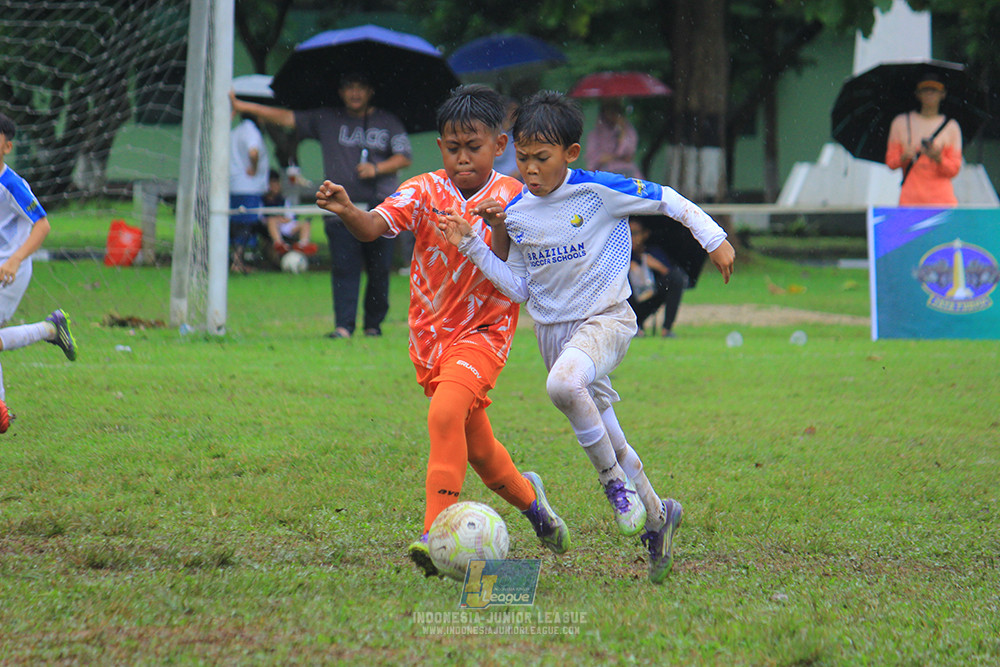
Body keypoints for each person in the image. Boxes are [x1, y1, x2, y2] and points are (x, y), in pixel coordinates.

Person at [438, 90, 735, 583]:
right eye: (523, 158)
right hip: (554, 335)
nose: (530, 169)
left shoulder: (598, 190)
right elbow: (518, 288)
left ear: (571, 153)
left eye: (542, 157)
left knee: (562, 385)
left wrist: (714, 238)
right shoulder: (516, 211)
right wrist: (472, 244)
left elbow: (666, 198)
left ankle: (613, 486)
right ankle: (659, 517)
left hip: (606, 319)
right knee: (610, 435)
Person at [315, 84, 570, 578]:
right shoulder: (423, 190)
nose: (462, 158)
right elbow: (373, 227)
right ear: (440, 147)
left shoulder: (516, 197)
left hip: (485, 333)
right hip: (431, 340)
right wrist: (347, 209)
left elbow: (509, 267)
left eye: (473, 147)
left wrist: (499, 226)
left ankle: (434, 533)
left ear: (499, 145)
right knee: (482, 454)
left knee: (445, 413)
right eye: (453, 148)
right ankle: (533, 504)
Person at [231, 72, 413, 338]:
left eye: (360, 87)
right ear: (340, 92)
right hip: (339, 210)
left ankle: (373, 325)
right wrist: (243, 106)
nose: (354, 93)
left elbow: (404, 156)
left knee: (379, 269)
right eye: (349, 87)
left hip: (380, 208)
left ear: (370, 91)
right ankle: (343, 327)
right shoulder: (327, 118)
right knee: (344, 268)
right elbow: (286, 118)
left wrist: (377, 168)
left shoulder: (388, 121)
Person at [0, 112, 78, 433]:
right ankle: (50, 329)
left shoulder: (12, 185)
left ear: (7, 147)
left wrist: (15, 260)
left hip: (10, 271)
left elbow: (42, 225)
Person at [886, 72, 963, 206]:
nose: (929, 94)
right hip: (910, 201)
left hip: (942, 202)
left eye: (934, 90)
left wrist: (938, 158)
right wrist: (904, 156)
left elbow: (954, 169)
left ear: (943, 94)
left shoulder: (951, 127)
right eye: (925, 89)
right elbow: (891, 162)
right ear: (917, 94)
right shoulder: (901, 122)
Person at [628, 219, 686, 338]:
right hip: (629, 302)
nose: (631, 238)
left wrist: (656, 266)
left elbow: (671, 277)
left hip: (649, 298)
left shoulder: (653, 252)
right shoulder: (619, 255)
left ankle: (666, 329)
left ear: (645, 234)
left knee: (676, 277)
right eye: (628, 233)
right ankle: (632, 325)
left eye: (635, 233)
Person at [229, 112, 269, 274]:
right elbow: (253, 152)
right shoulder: (251, 131)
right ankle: (238, 261)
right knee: (245, 224)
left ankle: (235, 260)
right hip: (248, 185)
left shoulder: (235, 131)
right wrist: (254, 168)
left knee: (234, 223)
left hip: (234, 184)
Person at [262, 169, 317, 258]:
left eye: (277, 183)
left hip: (285, 225)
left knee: (306, 223)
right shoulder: (263, 200)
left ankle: (302, 245)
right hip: (271, 226)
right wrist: (276, 219)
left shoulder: (283, 200)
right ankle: (279, 244)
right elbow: (261, 217)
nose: (275, 186)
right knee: (272, 221)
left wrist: (282, 220)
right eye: (273, 184)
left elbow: (289, 217)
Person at [584, 99, 643, 179]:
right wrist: (616, 157)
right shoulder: (596, 134)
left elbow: (628, 154)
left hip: (627, 172)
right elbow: (595, 159)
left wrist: (622, 131)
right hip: (605, 173)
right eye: (609, 110)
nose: (612, 114)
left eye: (615, 111)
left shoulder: (628, 130)